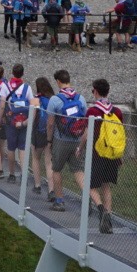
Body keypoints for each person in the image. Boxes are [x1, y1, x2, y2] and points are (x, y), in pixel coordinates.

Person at [86, 78, 123, 233]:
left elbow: (87, 134)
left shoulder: (92, 111)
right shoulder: (117, 112)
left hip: (96, 153)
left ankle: (101, 210)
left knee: (90, 185)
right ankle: (108, 216)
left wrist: (80, 148)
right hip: (112, 153)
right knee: (106, 185)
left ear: (95, 91)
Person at [46, 69, 87, 211]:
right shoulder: (81, 98)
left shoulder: (55, 100)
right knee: (77, 170)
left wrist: (49, 141)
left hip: (61, 139)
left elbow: (50, 124)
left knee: (56, 169)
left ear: (58, 82)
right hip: (77, 139)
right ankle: (87, 197)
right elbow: (85, 119)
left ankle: (59, 201)